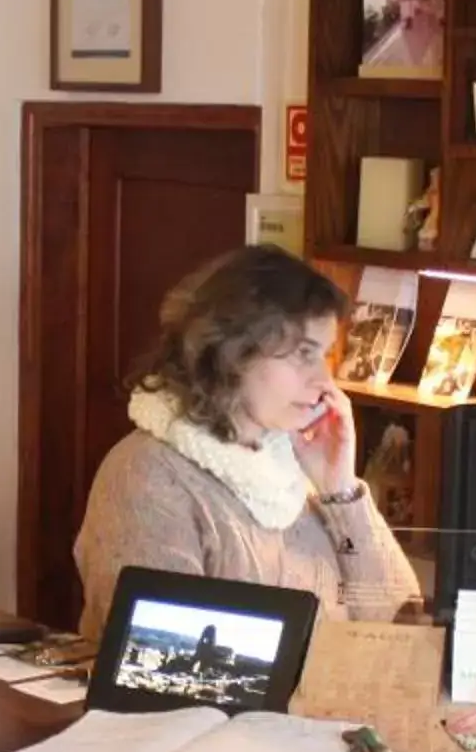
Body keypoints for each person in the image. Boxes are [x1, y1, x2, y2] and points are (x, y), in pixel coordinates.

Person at [73, 245, 422, 637]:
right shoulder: (146, 476)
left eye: (324, 355)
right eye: (304, 354)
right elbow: (162, 657)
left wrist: (339, 490)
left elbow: (402, 625)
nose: (324, 381)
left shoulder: (297, 467)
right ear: (233, 353)